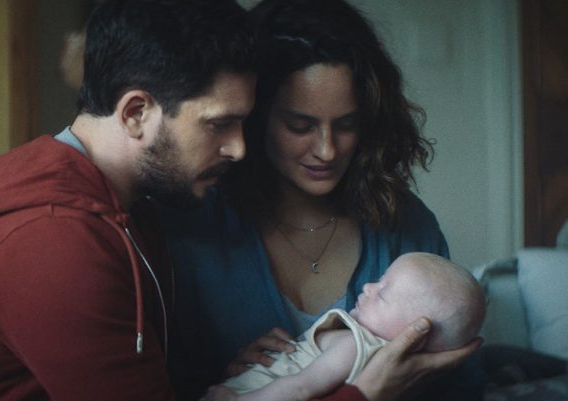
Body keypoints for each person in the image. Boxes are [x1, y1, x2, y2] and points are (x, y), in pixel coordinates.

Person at [0, 0, 255, 399]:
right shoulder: (49, 239)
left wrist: (240, 379)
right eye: (219, 124)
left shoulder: (128, 201)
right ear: (135, 113)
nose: (238, 148)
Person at [157, 0, 483, 400]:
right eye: (300, 125)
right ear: (255, 118)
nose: (327, 150)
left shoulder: (406, 226)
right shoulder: (192, 229)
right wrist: (240, 379)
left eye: (347, 124)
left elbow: (461, 384)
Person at [208, 253, 486, 401]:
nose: (368, 287)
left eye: (383, 294)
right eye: (380, 279)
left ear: (416, 334)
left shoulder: (354, 346)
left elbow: (299, 388)